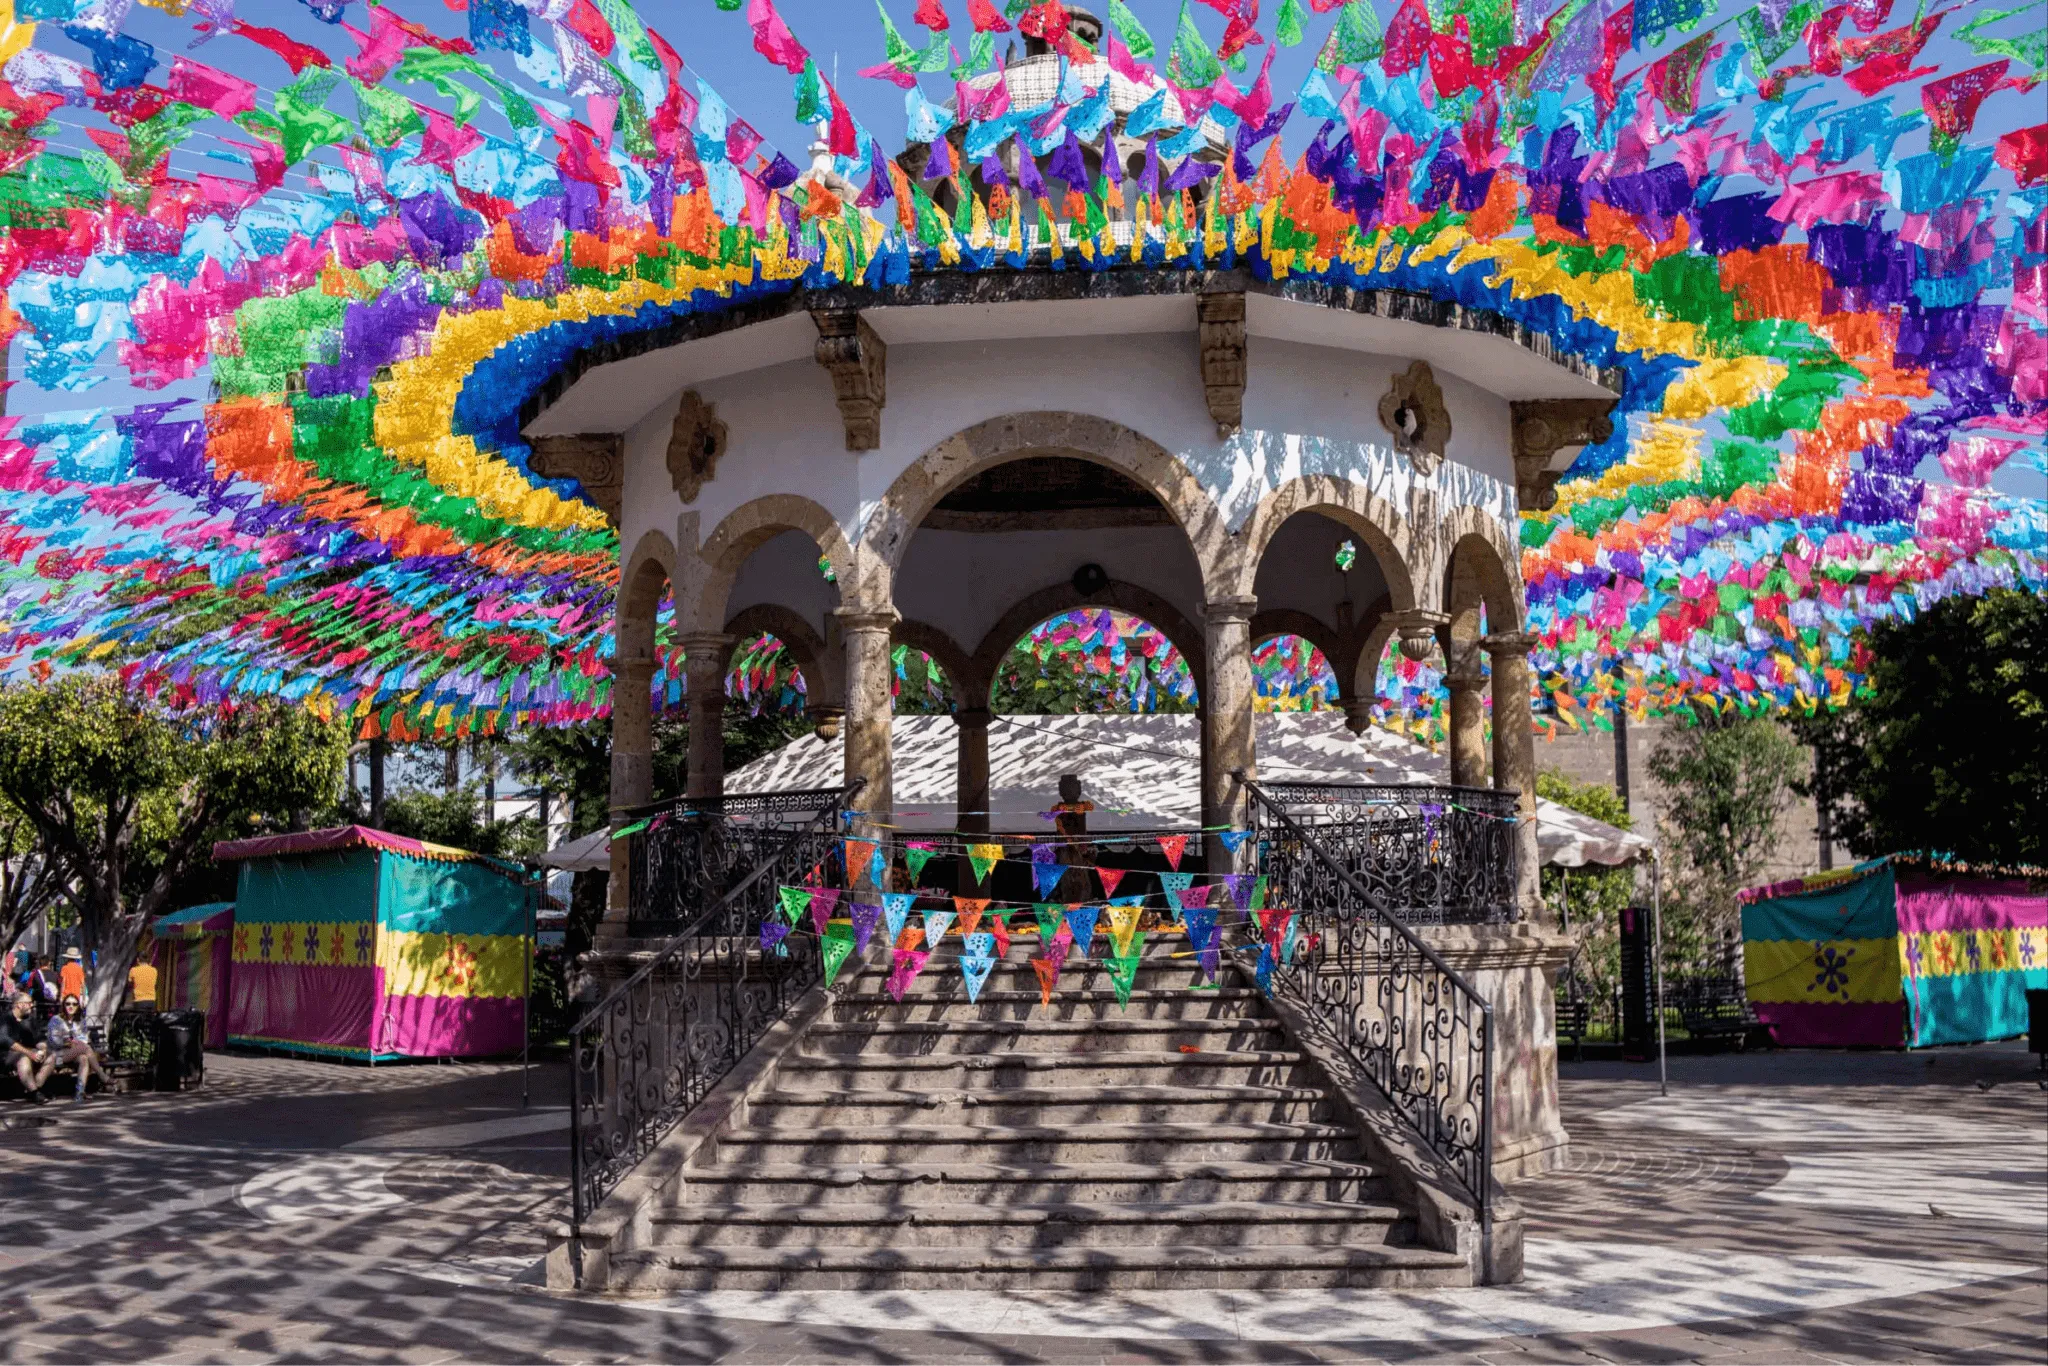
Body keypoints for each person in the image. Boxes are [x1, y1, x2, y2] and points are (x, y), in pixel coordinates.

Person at [44, 994, 104, 1102]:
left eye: (74, 1004)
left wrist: (74, 1043)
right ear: (63, 1005)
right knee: (85, 1047)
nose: (71, 1006)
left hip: (74, 1051)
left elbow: (84, 1038)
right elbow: (54, 1040)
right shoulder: (56, 1020)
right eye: (68, 1004)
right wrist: (67, 1043)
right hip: (57, 1055)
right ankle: (101, 1075)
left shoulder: (80, 1021)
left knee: (84, 1059)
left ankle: (79, 1092)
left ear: (77, 1006)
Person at [5, 992, 50, 1105]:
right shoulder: (5, 1019)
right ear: (19, 1005)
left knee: (51, 1056)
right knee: (23, 1058)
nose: (32, 1005)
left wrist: (43, 1049)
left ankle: (33, 1090)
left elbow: (39, 1038)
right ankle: (35, 1092)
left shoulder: (30, 1020)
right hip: (6, 1055)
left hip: (28, 1052)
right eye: (29, 1003)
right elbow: (6, 1041)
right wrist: (30, 1053)